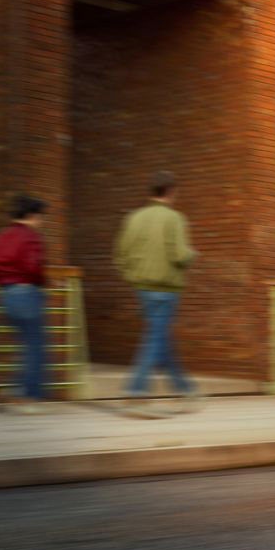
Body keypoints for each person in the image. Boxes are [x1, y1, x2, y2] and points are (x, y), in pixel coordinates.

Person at [114, 172, 198, 408]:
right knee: (155, 337)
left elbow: (121, 254)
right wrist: (192, 256)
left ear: (151, 191)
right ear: (171, 191)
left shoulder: (134, 218)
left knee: (160, 336)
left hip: (141, 287)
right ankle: (136, 391)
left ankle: (184, 389)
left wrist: (131, 276)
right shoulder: (174, 218)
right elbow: (179, 255)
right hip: (166, 288)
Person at [0, 195, 49, 414]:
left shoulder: (1, 236)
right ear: (32, 216)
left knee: (27, 347)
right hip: (27, 293)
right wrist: (42, 282)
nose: (42, 222)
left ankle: (15, 391)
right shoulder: (30, 237)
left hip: (6, 294)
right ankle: (27, 397)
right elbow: (33, 267)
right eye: (41, 217)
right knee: (36, 348)